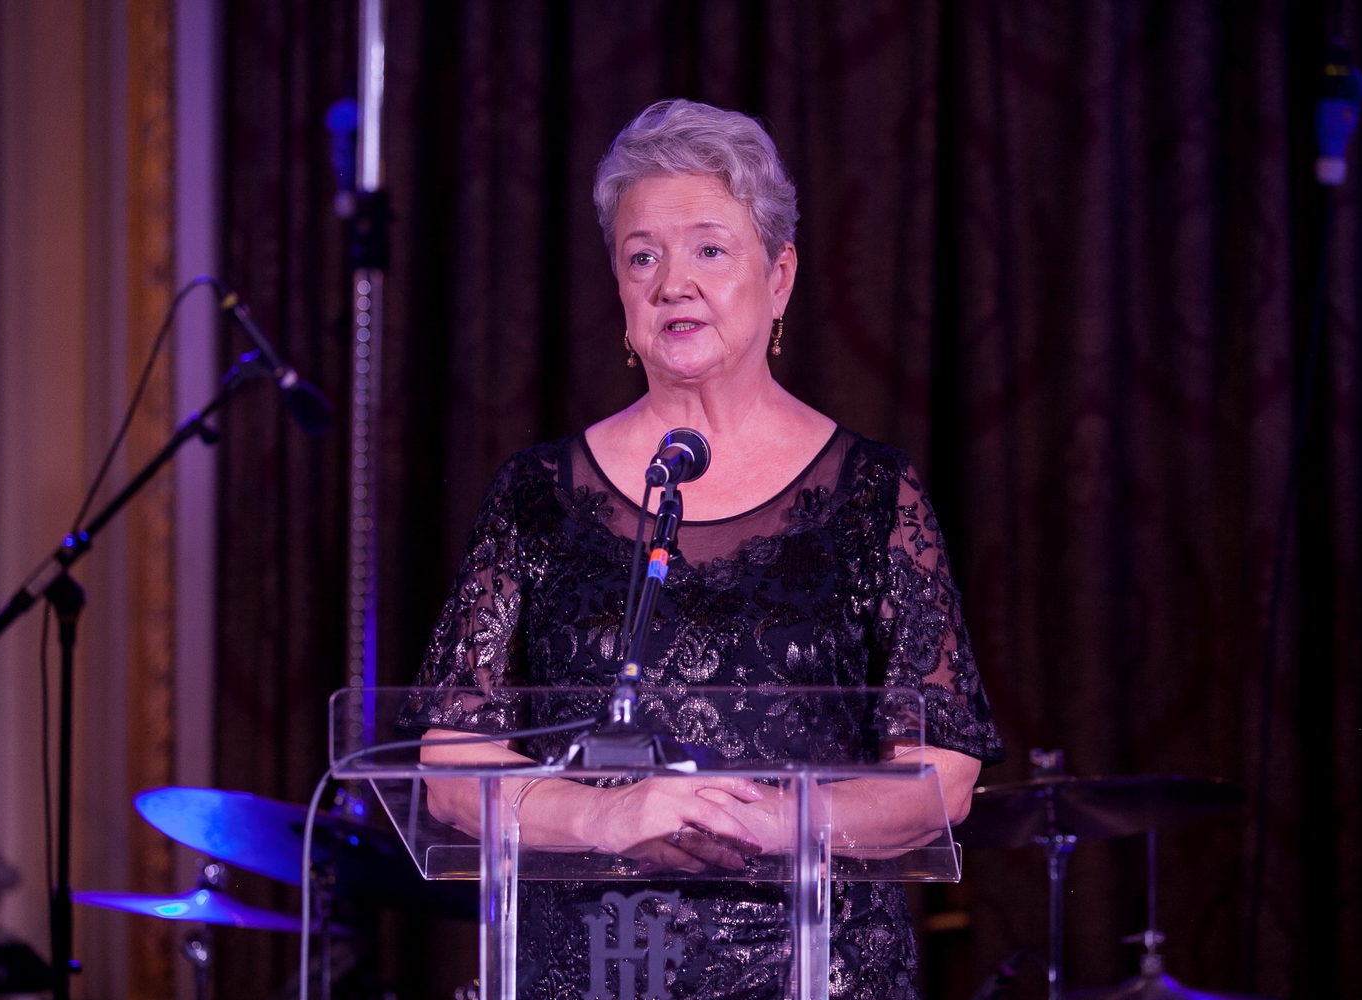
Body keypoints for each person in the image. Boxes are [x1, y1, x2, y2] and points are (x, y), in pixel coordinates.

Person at [410, 98, 1003, 1000]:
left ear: (780, 276)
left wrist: (770, 822)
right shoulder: (535, 496)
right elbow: (453, 771)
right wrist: (609, 818)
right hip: (593, 973)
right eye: (642, 256)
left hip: (820, 972)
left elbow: (941, 778)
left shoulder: (873, 494)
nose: (672, 283)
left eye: (710, 250)